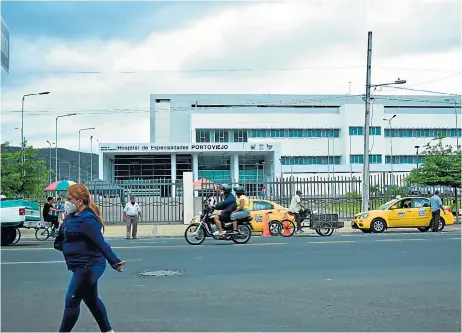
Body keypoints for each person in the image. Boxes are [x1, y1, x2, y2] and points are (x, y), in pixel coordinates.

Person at [58, 184, 126, 332]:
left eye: (69, 198)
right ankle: (108, 331)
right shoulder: (71, 217)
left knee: (72, 299)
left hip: (89, 265)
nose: (66, 201)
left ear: (79, 201)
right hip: (79, 265)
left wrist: (115, 262)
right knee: (91, 300)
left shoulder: (88, 218)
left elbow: (101, 243)